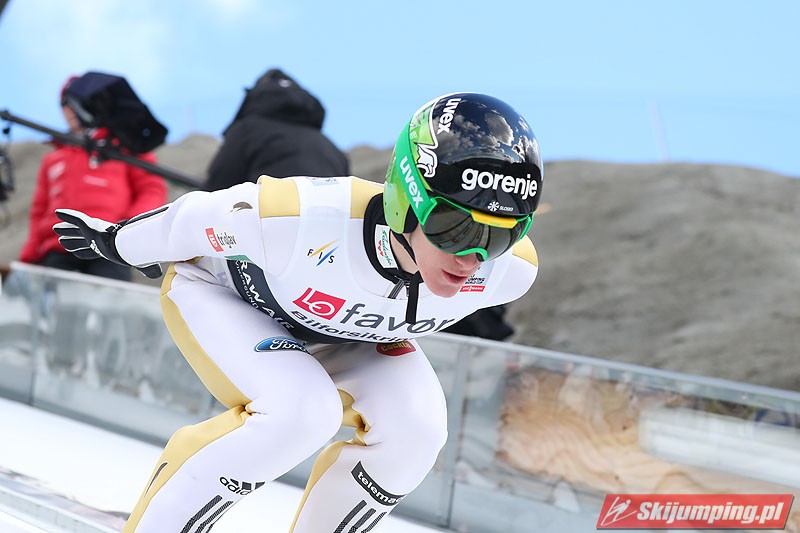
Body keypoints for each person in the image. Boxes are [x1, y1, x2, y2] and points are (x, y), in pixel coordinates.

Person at [53, 92, 544, 532]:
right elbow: (200, 216)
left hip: (347, 330)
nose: (471, 257)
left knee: (418, 431)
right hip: (228, 297)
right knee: (300, 413)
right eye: (454, 227)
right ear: (406, 201)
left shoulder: (509, 272)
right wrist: (119, 242)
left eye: (501, 234)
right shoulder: (303, 218)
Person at [19, 76, 168, 281]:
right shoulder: (53, 158)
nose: (71, 109)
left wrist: (127, 229)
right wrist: (28, 258)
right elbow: (38, 211)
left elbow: (151, 189)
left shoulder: (123, 146)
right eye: (65, 104)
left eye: (76, 102)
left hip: (108, 243)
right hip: (59, 247)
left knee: (111, 300)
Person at [204, 68, 349, 191]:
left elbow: (219, 186)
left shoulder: (247, 131)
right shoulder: (330, 146)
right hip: (328, 214)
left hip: (273, 213)